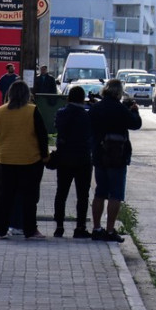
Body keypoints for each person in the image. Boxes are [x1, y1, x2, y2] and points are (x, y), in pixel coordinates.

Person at [0, 80, 49, 239]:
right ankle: (30, 230)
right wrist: (45, 156)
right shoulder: (32, 111)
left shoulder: (0, 111)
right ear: (27, 95)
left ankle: (1, 229)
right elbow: (42, 135)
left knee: (6, 196)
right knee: (30, 198)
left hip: (6, 159)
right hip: (30, 159)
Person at [89, 79, 142, 242]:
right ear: (119, 92)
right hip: (117, 157)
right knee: (115, 195)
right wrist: (134, 111)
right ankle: (110, 230)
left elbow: (89, 126)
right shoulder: (120, 109)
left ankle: (97, 228)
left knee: (100, 192)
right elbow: (135, 124)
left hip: (99, 155)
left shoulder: (96, 108)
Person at [53, 85, 93, 239]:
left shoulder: (61, 113)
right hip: (83, 158)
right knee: (82, 195)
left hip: (64, 158)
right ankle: (80, 227)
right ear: (82, 99)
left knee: (61, 193)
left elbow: (57, 127)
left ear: (69, 97)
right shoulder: (87, 115)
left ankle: (59, 226)